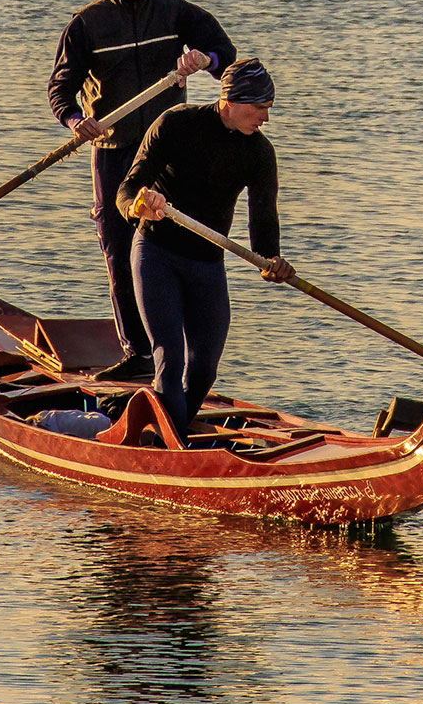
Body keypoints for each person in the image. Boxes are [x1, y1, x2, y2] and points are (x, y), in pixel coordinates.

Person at [48, 0, 237, 381]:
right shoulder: (87, 24)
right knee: (118, 246)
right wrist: (78, 122)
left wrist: (202, 61)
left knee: (176, 243)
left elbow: (225, 55)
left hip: (167, 149)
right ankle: (137, 353)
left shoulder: (174, 12)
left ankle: (182, 359)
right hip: (113, 149)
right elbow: (60, 91)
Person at [118, 59, 294, 439]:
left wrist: (271, 260)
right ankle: (175, 445)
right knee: (170, 355)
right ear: (230, 99)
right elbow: (127, 190)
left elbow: (264, 219)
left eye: (269, 108)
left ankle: (166, 432)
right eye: (259, 107)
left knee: (203, 368)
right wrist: (138, 207)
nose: (265, 117)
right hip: (156, 254)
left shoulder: (260, 154)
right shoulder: (177, 124)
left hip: (207, 265)